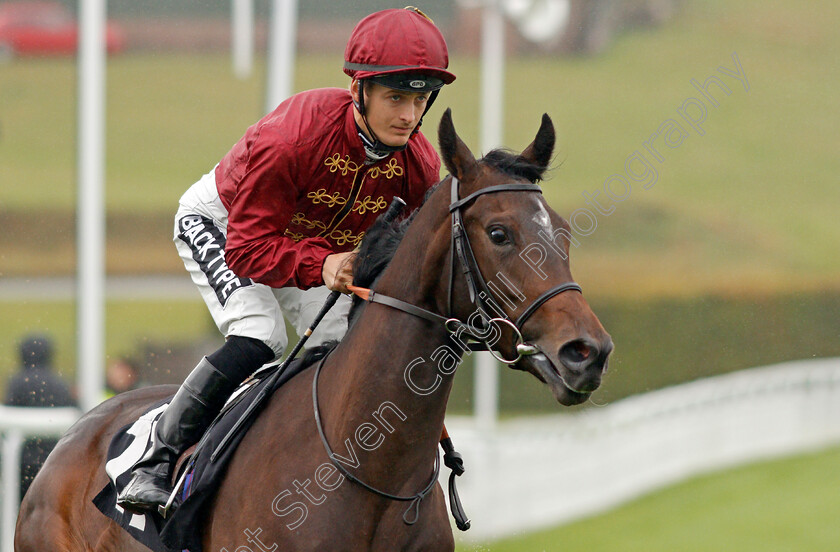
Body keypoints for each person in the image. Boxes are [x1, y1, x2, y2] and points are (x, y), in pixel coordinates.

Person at [117, 7, 456, 513]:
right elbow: (249, 249)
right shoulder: (293, 138)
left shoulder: (418, 165)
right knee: (262, 334)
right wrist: (322, 267)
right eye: (396, 97)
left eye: (420, 99)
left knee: (343, 350)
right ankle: (156, 457)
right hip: (225, 225)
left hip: (313, 248)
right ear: (359, 91)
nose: (409, 115)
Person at [4, 333, 76, 499]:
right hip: (54, 455)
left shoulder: (17, 382)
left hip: (20, 458)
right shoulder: (60, 382)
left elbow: (9, 414)